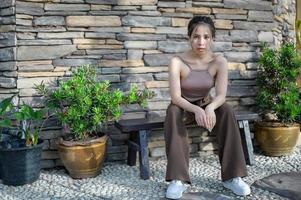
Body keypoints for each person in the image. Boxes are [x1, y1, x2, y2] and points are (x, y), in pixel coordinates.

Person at [164, 16, 251, 199]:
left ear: (212, 39)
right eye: (196, 36)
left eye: (206, 37)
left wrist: (210, 108)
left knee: (226, 109)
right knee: (172, 112)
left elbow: (220, 95)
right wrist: (196, 110)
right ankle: (178, 179)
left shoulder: (219, 61)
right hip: (183, 105)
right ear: (189, 37)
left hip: (206, 101)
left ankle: (232, 176)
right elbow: (176, 97)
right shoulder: (177, 61)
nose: (201, 42)